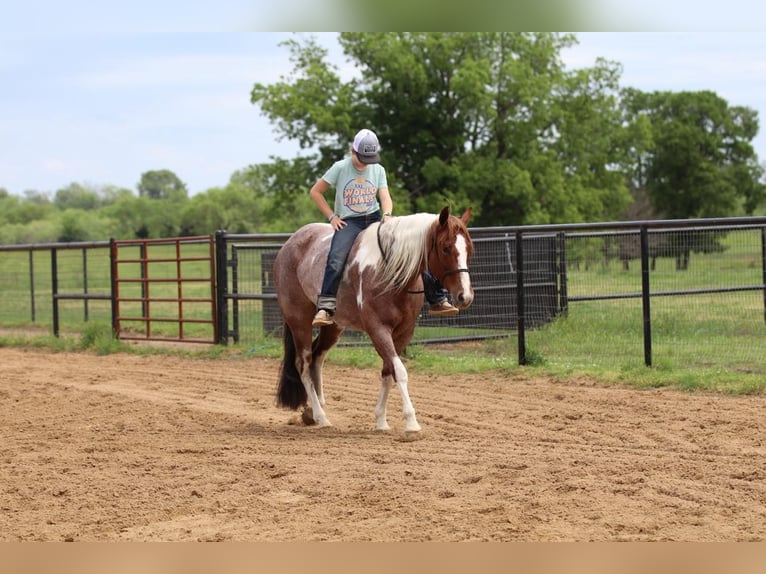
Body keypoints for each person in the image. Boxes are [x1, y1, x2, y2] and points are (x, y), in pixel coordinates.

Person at [310, 128, 459, 327]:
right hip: (349, 221)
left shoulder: (378, 169)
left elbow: (385, 196)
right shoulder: (340, 167)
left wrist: (387, 214)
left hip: (374, 218)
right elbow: (316, 192)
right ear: (353, 151)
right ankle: (326, 307)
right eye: (362, 158)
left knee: (410, 249)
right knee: (336, 257)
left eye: (368, 158)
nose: (365, 163)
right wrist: (332, 217)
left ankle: (437, 298)